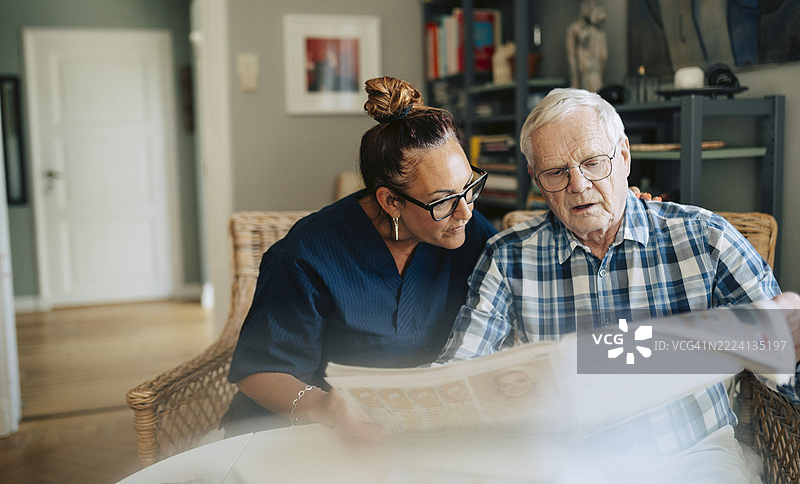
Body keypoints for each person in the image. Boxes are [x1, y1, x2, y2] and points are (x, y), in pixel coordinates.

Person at [436, 87, 800, 481]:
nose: (577, 185)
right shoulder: (508, 258)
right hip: (566, 464)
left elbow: (781, 355)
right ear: (537, 181)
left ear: (624, 156)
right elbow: (455, 375)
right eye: (556, 172)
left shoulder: (704, 237)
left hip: (692, 456)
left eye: (593, 162)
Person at [221, 76, 497, 439]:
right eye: (443, 200)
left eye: (469, 187)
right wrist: (324, 408)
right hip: (295, 433)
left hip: (407, 433)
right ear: (391, 202)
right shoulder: (307, 254)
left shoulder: (471, 233)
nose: (465, 211)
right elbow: (257, 371)